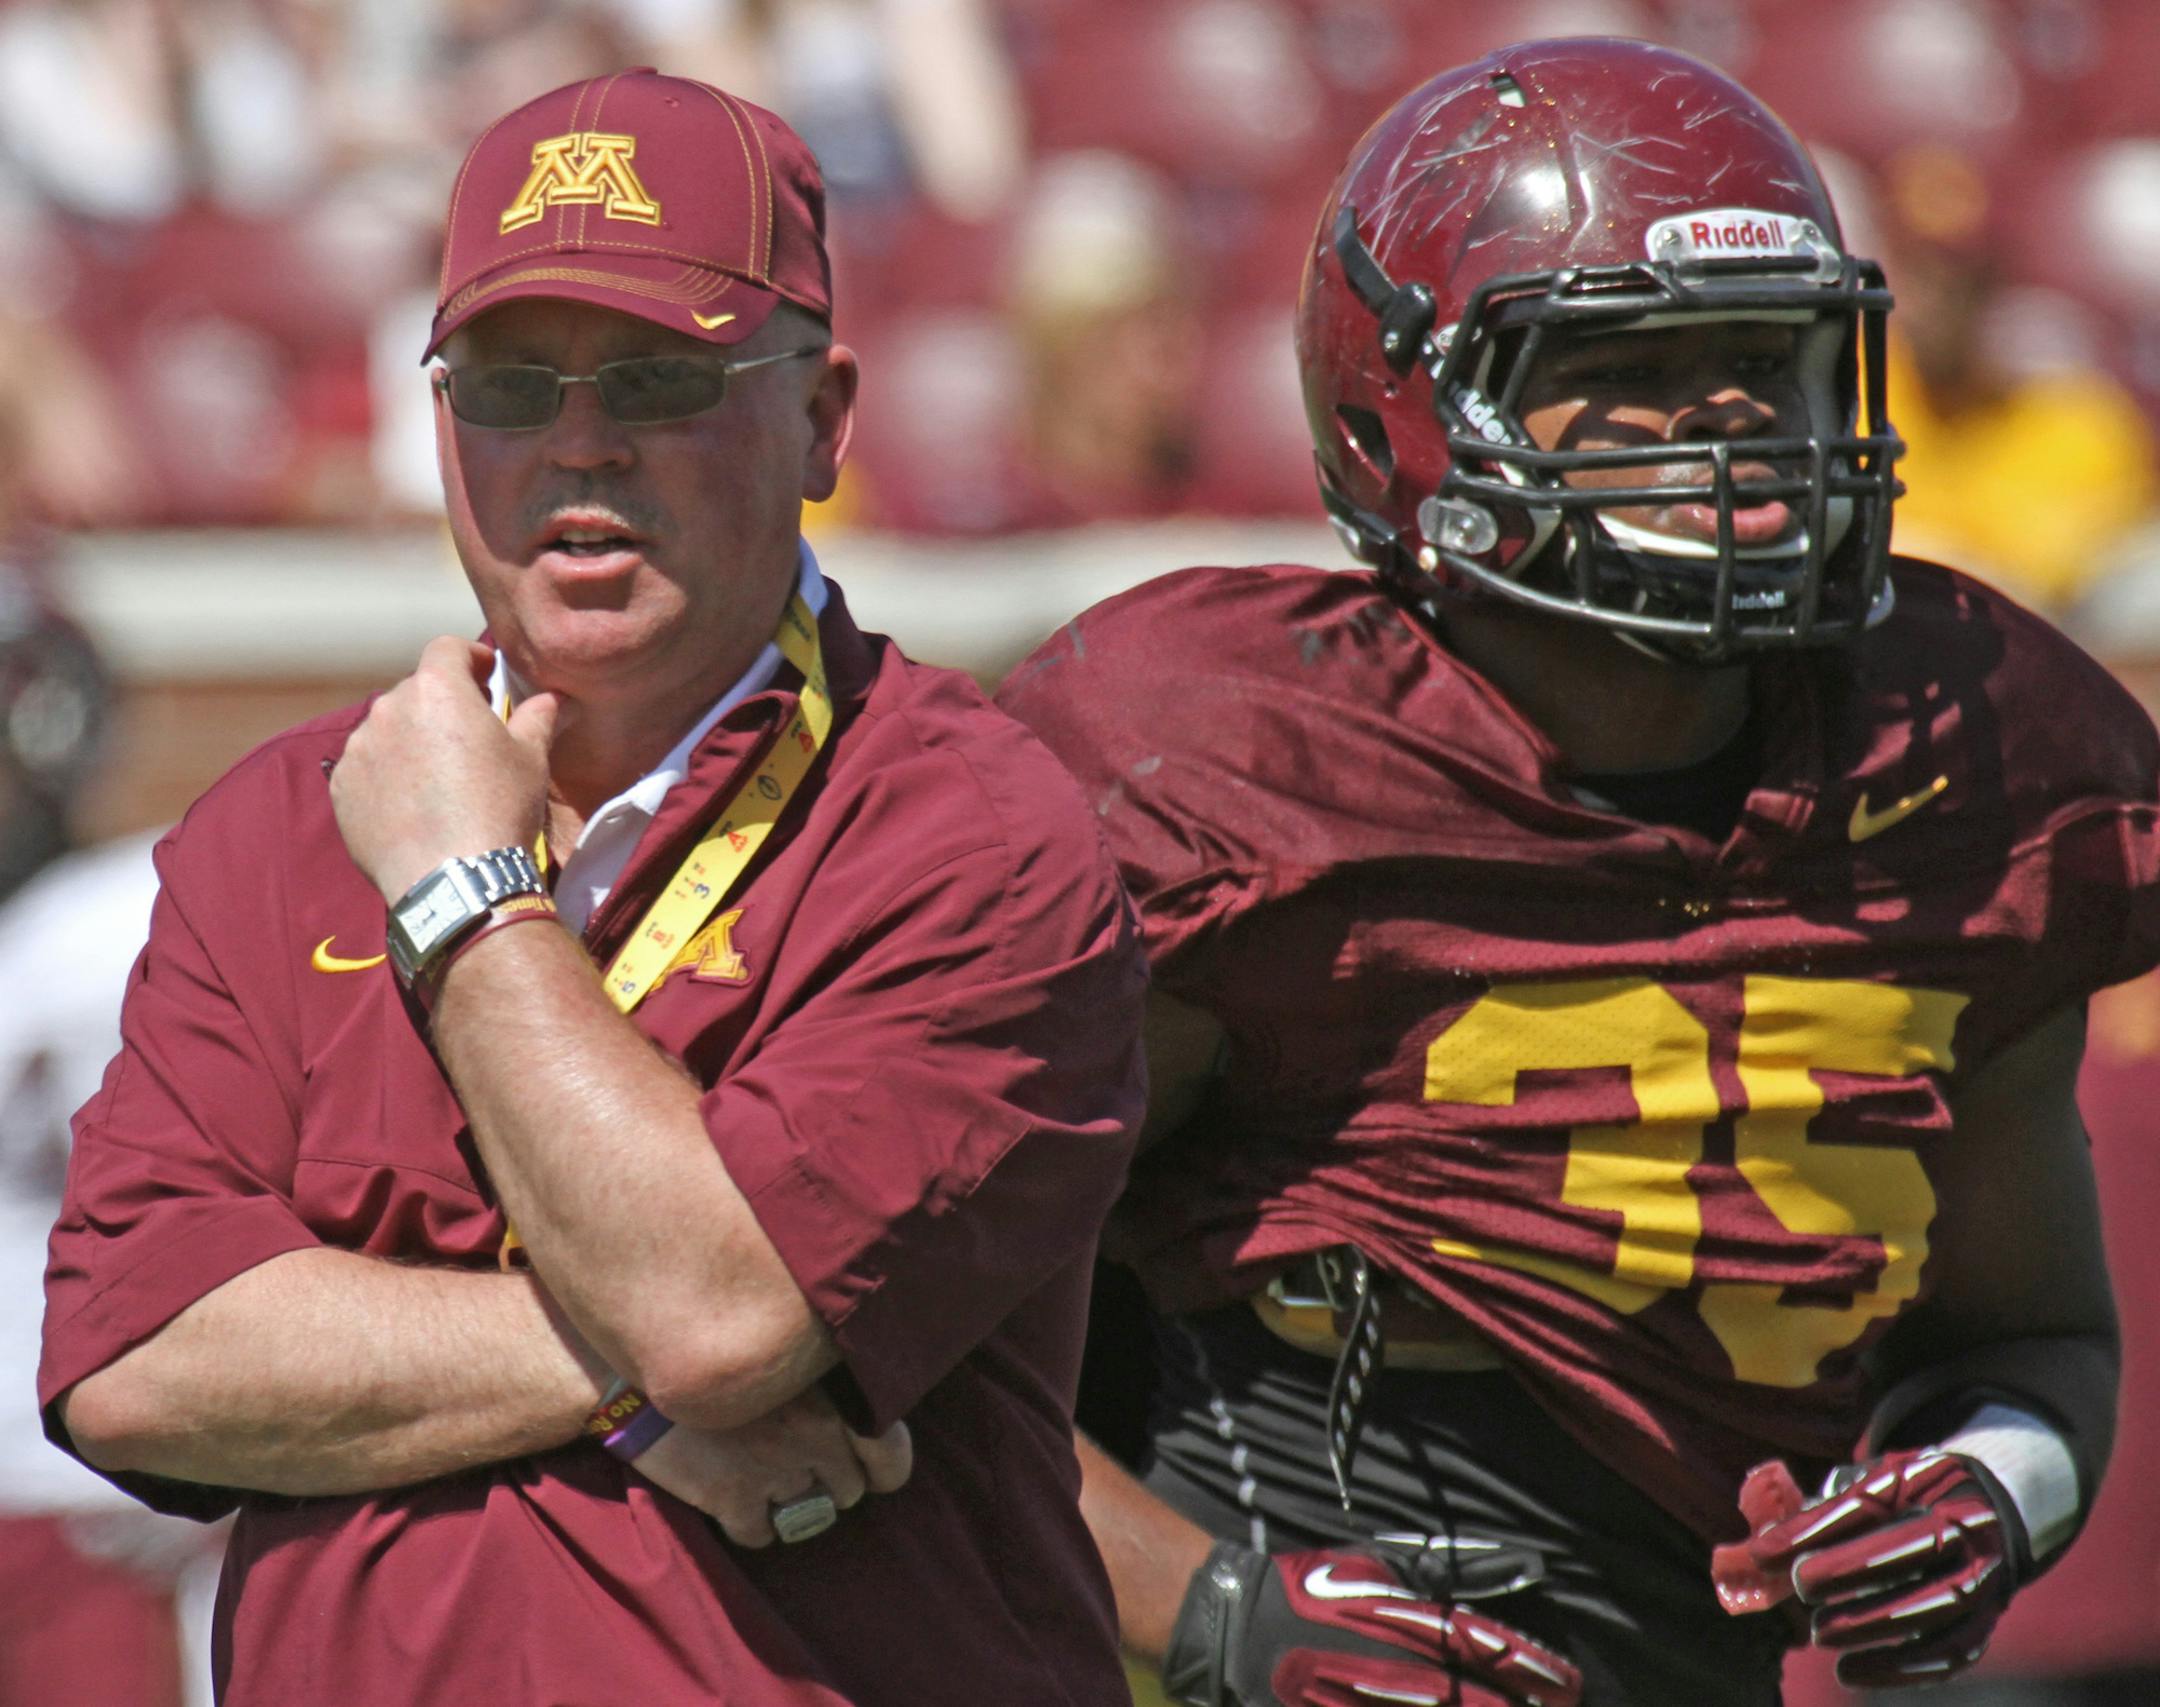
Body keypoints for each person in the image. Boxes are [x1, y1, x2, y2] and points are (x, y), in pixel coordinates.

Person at [996, 36, 2156, 1707]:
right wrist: (1207, 1609)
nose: (1736, 422)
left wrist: (1985, 1486)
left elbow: (2029, 1339)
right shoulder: (1242, 778)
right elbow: (905, 1350)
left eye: (1769, 354)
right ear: (1403, 413)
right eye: (1640, 364)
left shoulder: (1974, 762)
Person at [39, 67, 1148, 1707]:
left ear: (824, 418)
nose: (576, 444)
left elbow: (712, 1307)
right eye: (503, 386)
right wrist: (624, 1390)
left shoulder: (970, 834)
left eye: (656, 376)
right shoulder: (279, 822)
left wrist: (467, 896)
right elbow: (132, 1361)